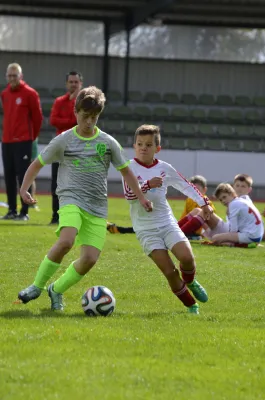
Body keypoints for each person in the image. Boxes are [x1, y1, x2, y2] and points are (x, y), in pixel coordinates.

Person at [18, 86, 152, 311]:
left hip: (97, 207)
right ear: (75, 112)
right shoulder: (64, 140)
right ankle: (36, 286)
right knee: (66, 241)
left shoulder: (108, 142)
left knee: (89, 259)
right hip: (71, 198)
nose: (89, 121)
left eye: (94, 117)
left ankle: (56, 289)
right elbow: (37, 163)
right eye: (85, 116)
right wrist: (23, 189)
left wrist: (141, 197)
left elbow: (126, 170)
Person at [122, 124, 212, 315]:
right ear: (134, 145)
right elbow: (129, 195)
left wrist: (204, 203)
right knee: (170, 271)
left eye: (148, 144)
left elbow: (186, 186)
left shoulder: (164, 168)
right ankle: (191, 305)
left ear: (157, 148)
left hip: (166, 222)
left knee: (187, 257)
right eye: (139, 144)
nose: (143, 148)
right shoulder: (128, 167)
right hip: (145, 229)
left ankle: (191, 281)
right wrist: (146, 185)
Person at [107, 174, 215, 237]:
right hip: (180, 228)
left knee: (152, 229)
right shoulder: (192, 201)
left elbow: (207, 219)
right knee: (152, 228)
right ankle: (119, 229)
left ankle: (119, 229)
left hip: (184, 229)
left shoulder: (203, 202)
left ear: (204, 190)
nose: (195, 193)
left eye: (198, 190)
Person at [0, 63, 42, 220]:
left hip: (23, 141)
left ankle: (24, 212)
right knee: (9, 176)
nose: (12, 78)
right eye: (9, 75)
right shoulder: (4, 94)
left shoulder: (30, 94)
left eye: (14, 76)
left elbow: (37, 118)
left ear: (21, 76)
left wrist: (32, 137)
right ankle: (11, 210)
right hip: (7, 141)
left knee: (24, 176)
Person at [49, 70, 83, 225]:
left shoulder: (84, 104)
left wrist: (68, 119)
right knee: (56, 183)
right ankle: (55, 216)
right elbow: (54, 120)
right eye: (71, 82)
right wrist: (70, 119)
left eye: (76, 82)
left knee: (77, 183)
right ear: (66, 83)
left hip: (78, 148)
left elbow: (80, 123)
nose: (73, 84)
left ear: (80, 84)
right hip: (60, 148)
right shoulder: (59, 101)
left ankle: (76, 217)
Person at [194, 183, 263, 247]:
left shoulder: (233, 204)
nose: (223, 201)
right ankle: (245, 243)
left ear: (232, 194)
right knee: (220, 237)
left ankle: (244, 245)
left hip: (250, 236)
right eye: (221, 200)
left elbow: (234, 230)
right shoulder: (241, 200)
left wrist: (226, 238)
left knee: (215, 238)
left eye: (224, 197)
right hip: (258, 235)